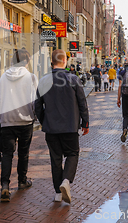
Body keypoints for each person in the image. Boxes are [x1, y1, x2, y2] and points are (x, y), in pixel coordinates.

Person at [35, 49, 89, 204]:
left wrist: (45, 121)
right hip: (70, 126)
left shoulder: (44, 80)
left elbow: (37, 106)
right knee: (72, 154)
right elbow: (82, 103)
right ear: (65, 61)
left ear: (51, 62)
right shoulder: (73, 79)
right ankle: (66, 181)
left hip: (51, 128)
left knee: (55, 159)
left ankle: (58, 193)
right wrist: (85, 123)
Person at [0, 48, 38, 202]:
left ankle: (5, 185)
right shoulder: (31, 77)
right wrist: (36, 116)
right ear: (26, 61)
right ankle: (22, 181)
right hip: (25, 121)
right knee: (23, 153)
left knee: (7, 154)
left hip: (7, 121)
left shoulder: (4, 77)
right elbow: (35, 100)